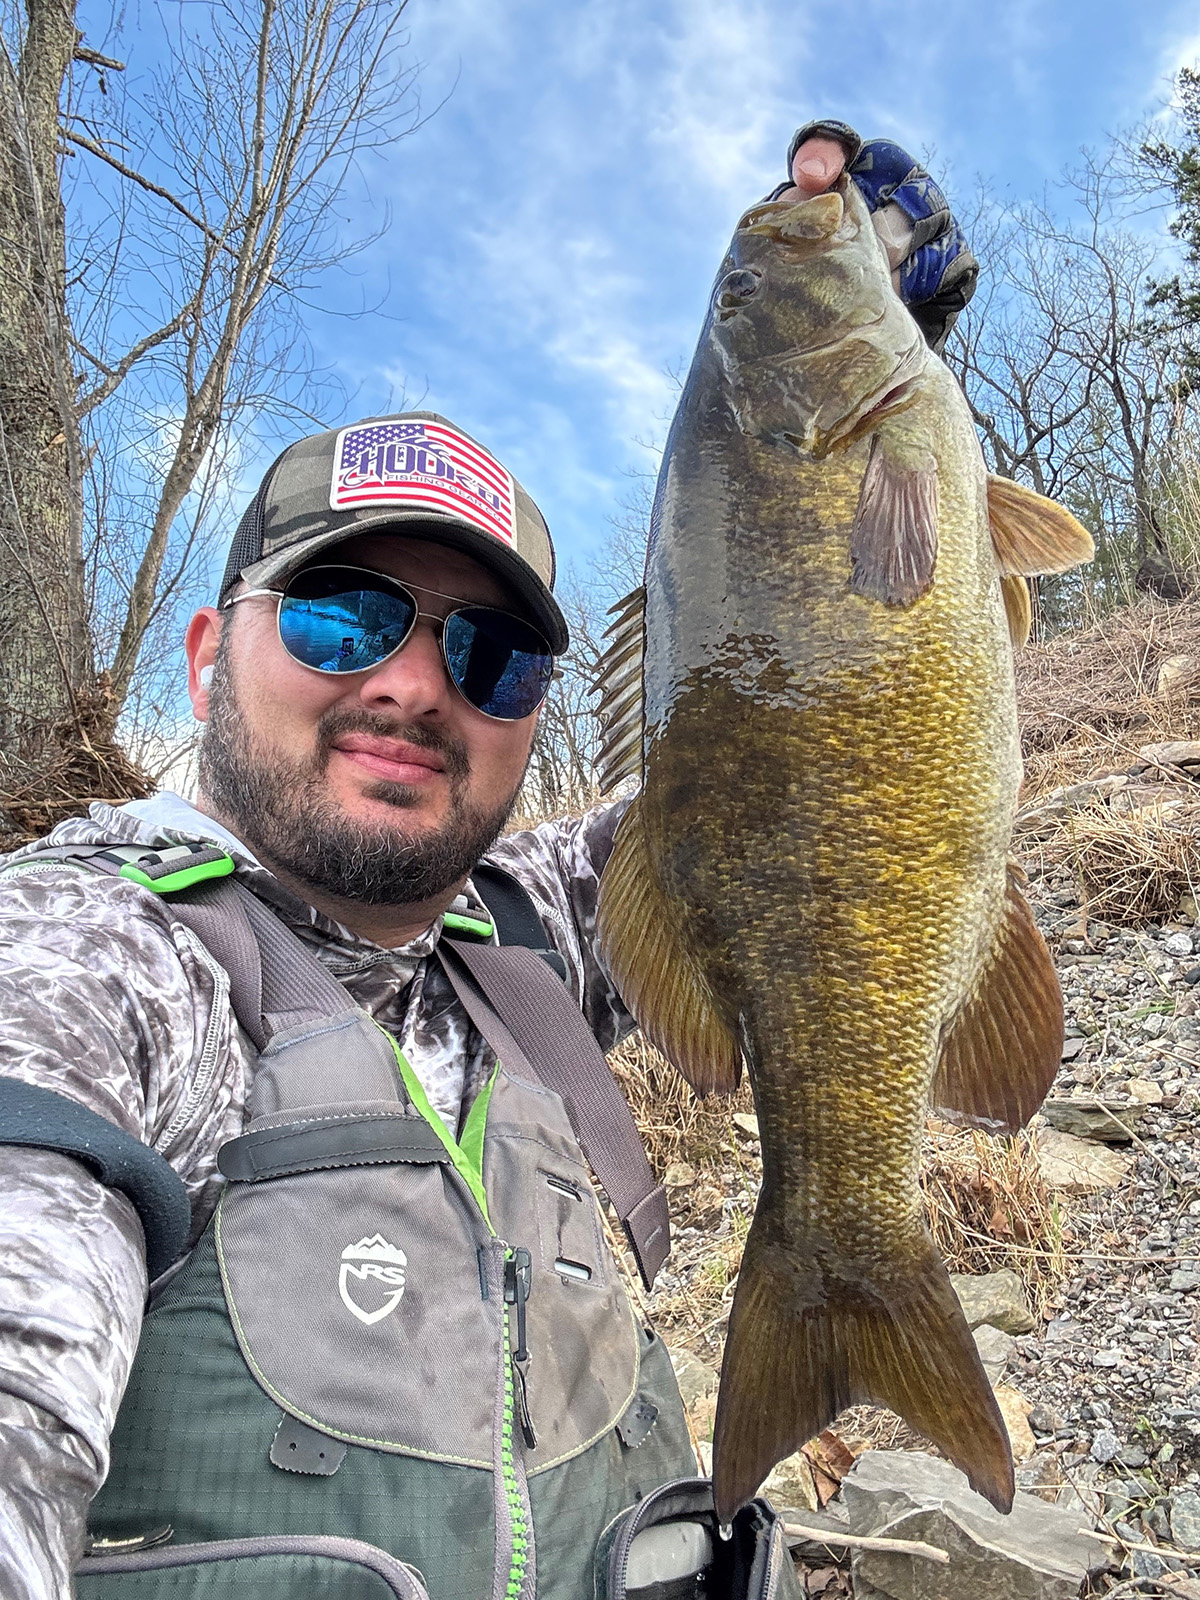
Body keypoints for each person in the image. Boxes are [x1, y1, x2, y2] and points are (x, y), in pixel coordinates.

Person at [0, 126, 977, 1600]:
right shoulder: (91, 966)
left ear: (531, 714)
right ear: (208, 655)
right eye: (341, 615)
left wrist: (908, 372)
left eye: (492, 652)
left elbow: (799, 787)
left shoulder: (532, 936)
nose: (410, 682)